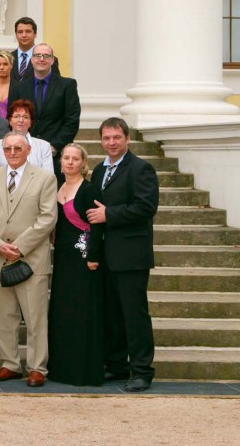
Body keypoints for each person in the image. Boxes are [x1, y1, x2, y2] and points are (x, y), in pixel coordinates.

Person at [86, 117, 159, 393]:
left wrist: (109, 214)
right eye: (106, 138)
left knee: (134, 315)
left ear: (127, 138)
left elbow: (146, 207)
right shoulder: (98, 170)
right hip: (106, 255)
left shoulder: (141, 169)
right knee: (112, 315)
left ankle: (142, 370)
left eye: (116, 137)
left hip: (131, 255)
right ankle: (117, 365)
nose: (111, 143)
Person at [0, 132, 57, 388]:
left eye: (17, 148)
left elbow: (47, 218)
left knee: (35, 317)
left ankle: (37, 367)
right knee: (4, 316)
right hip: (1, 257)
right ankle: (10, 364)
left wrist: (20, 247)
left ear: (27, 150)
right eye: (8, 148)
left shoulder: (45, 178)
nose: (12, 152)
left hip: (31, 258)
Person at [48, 143, 104, 386]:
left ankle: (83, 371)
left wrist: (93, 256)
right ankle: (61, 369)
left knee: (82, 312)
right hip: (62, 258)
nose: (70, 162)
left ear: (83, 163)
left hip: (83, 259)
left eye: (75, 159)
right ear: (60, 162)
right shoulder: (57, 187)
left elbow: (97, 226)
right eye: (66, 158)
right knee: (63, 311)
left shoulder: (89, 189)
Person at [8, 43, 81, 177]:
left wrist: (53, 147)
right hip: (25, 154)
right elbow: (13, 118)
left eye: (46, 56)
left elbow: (72, 121)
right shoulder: (19, 87)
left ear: (52, 60)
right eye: (37, 55)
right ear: (32, 60)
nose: (41, 59)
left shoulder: (67, 86)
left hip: (56, 155)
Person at [0, 99, 53, 172]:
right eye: (16, 116)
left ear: (31, 122)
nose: (21, 120)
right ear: (10, 121)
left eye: (25, 117)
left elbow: (49, 177)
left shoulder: (44, 146)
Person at [10, 17, 59, 82]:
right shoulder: (8, 58)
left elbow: (56, 84)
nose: (24, 35)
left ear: (35, 34)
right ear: (16, 35)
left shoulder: (48, 59)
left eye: (28, 31)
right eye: (20, 32)